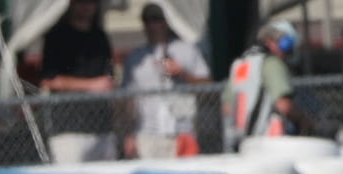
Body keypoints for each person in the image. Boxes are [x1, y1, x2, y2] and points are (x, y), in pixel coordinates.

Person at [121, 3, 210, 160]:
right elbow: (128, 100)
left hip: (181, 131)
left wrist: (183, 73)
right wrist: (129, 134)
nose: (153, 25)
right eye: (148, 21)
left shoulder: (186, 49)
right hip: (147, 133)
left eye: (157, 20)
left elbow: (207, 84)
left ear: (166, 22)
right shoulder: (136, 58)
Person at [38, 0, 117, 164]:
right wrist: (92, 86)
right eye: (81, 2)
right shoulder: (57, 36)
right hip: (69, 129)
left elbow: (108, 78)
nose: (87, 6)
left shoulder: (100, 37)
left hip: (102, 127)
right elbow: (50, 81)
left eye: (91, 2)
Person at [225, 20, 306, 149]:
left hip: (241, 142)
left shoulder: (241, 64)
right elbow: (284, 105)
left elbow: (228, 107)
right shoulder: (271, 64)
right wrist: (303, 120)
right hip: (268, 143)